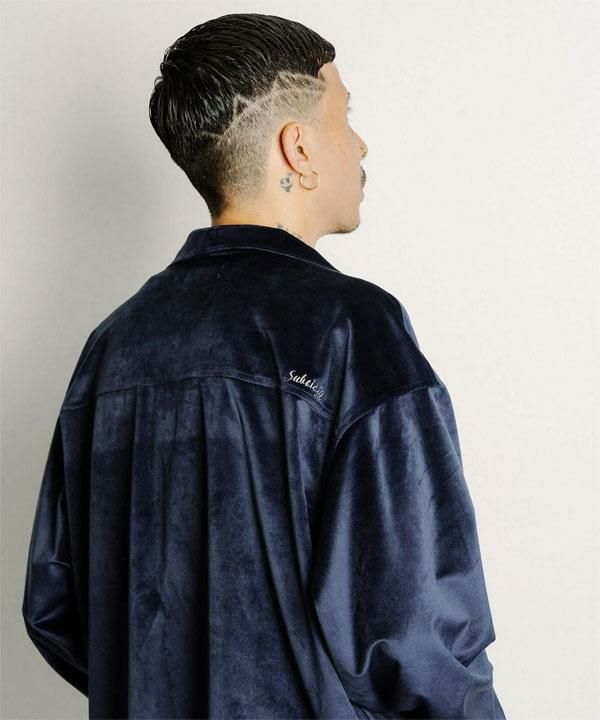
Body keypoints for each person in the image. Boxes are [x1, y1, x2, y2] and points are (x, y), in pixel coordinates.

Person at [22, 12, 506, 719]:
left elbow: (57, 605)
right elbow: (418, 630)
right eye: (345, 116)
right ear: (298, 147)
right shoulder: (352, 329)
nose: (361, 144)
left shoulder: (112, 347)